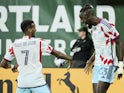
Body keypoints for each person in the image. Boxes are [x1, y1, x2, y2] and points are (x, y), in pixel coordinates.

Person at [0, 20, 72, 93]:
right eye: (34, 28)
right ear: (29, 29)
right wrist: (70, 59)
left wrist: (13, 66)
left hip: (22, 83)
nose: (35, 30)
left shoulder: (14, 45)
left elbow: (2, 64)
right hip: (36, 81)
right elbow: (58, 54)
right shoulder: (38, 42)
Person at [79, 4, 123, 93]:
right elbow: (100, 48)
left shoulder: (106, 25)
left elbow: (120, 43)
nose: (83, 22)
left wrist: (121, 65)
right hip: (98, 63)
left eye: (83, 19)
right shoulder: (90, 28)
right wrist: (91, 60)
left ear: (90, 16)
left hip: (109, 63)